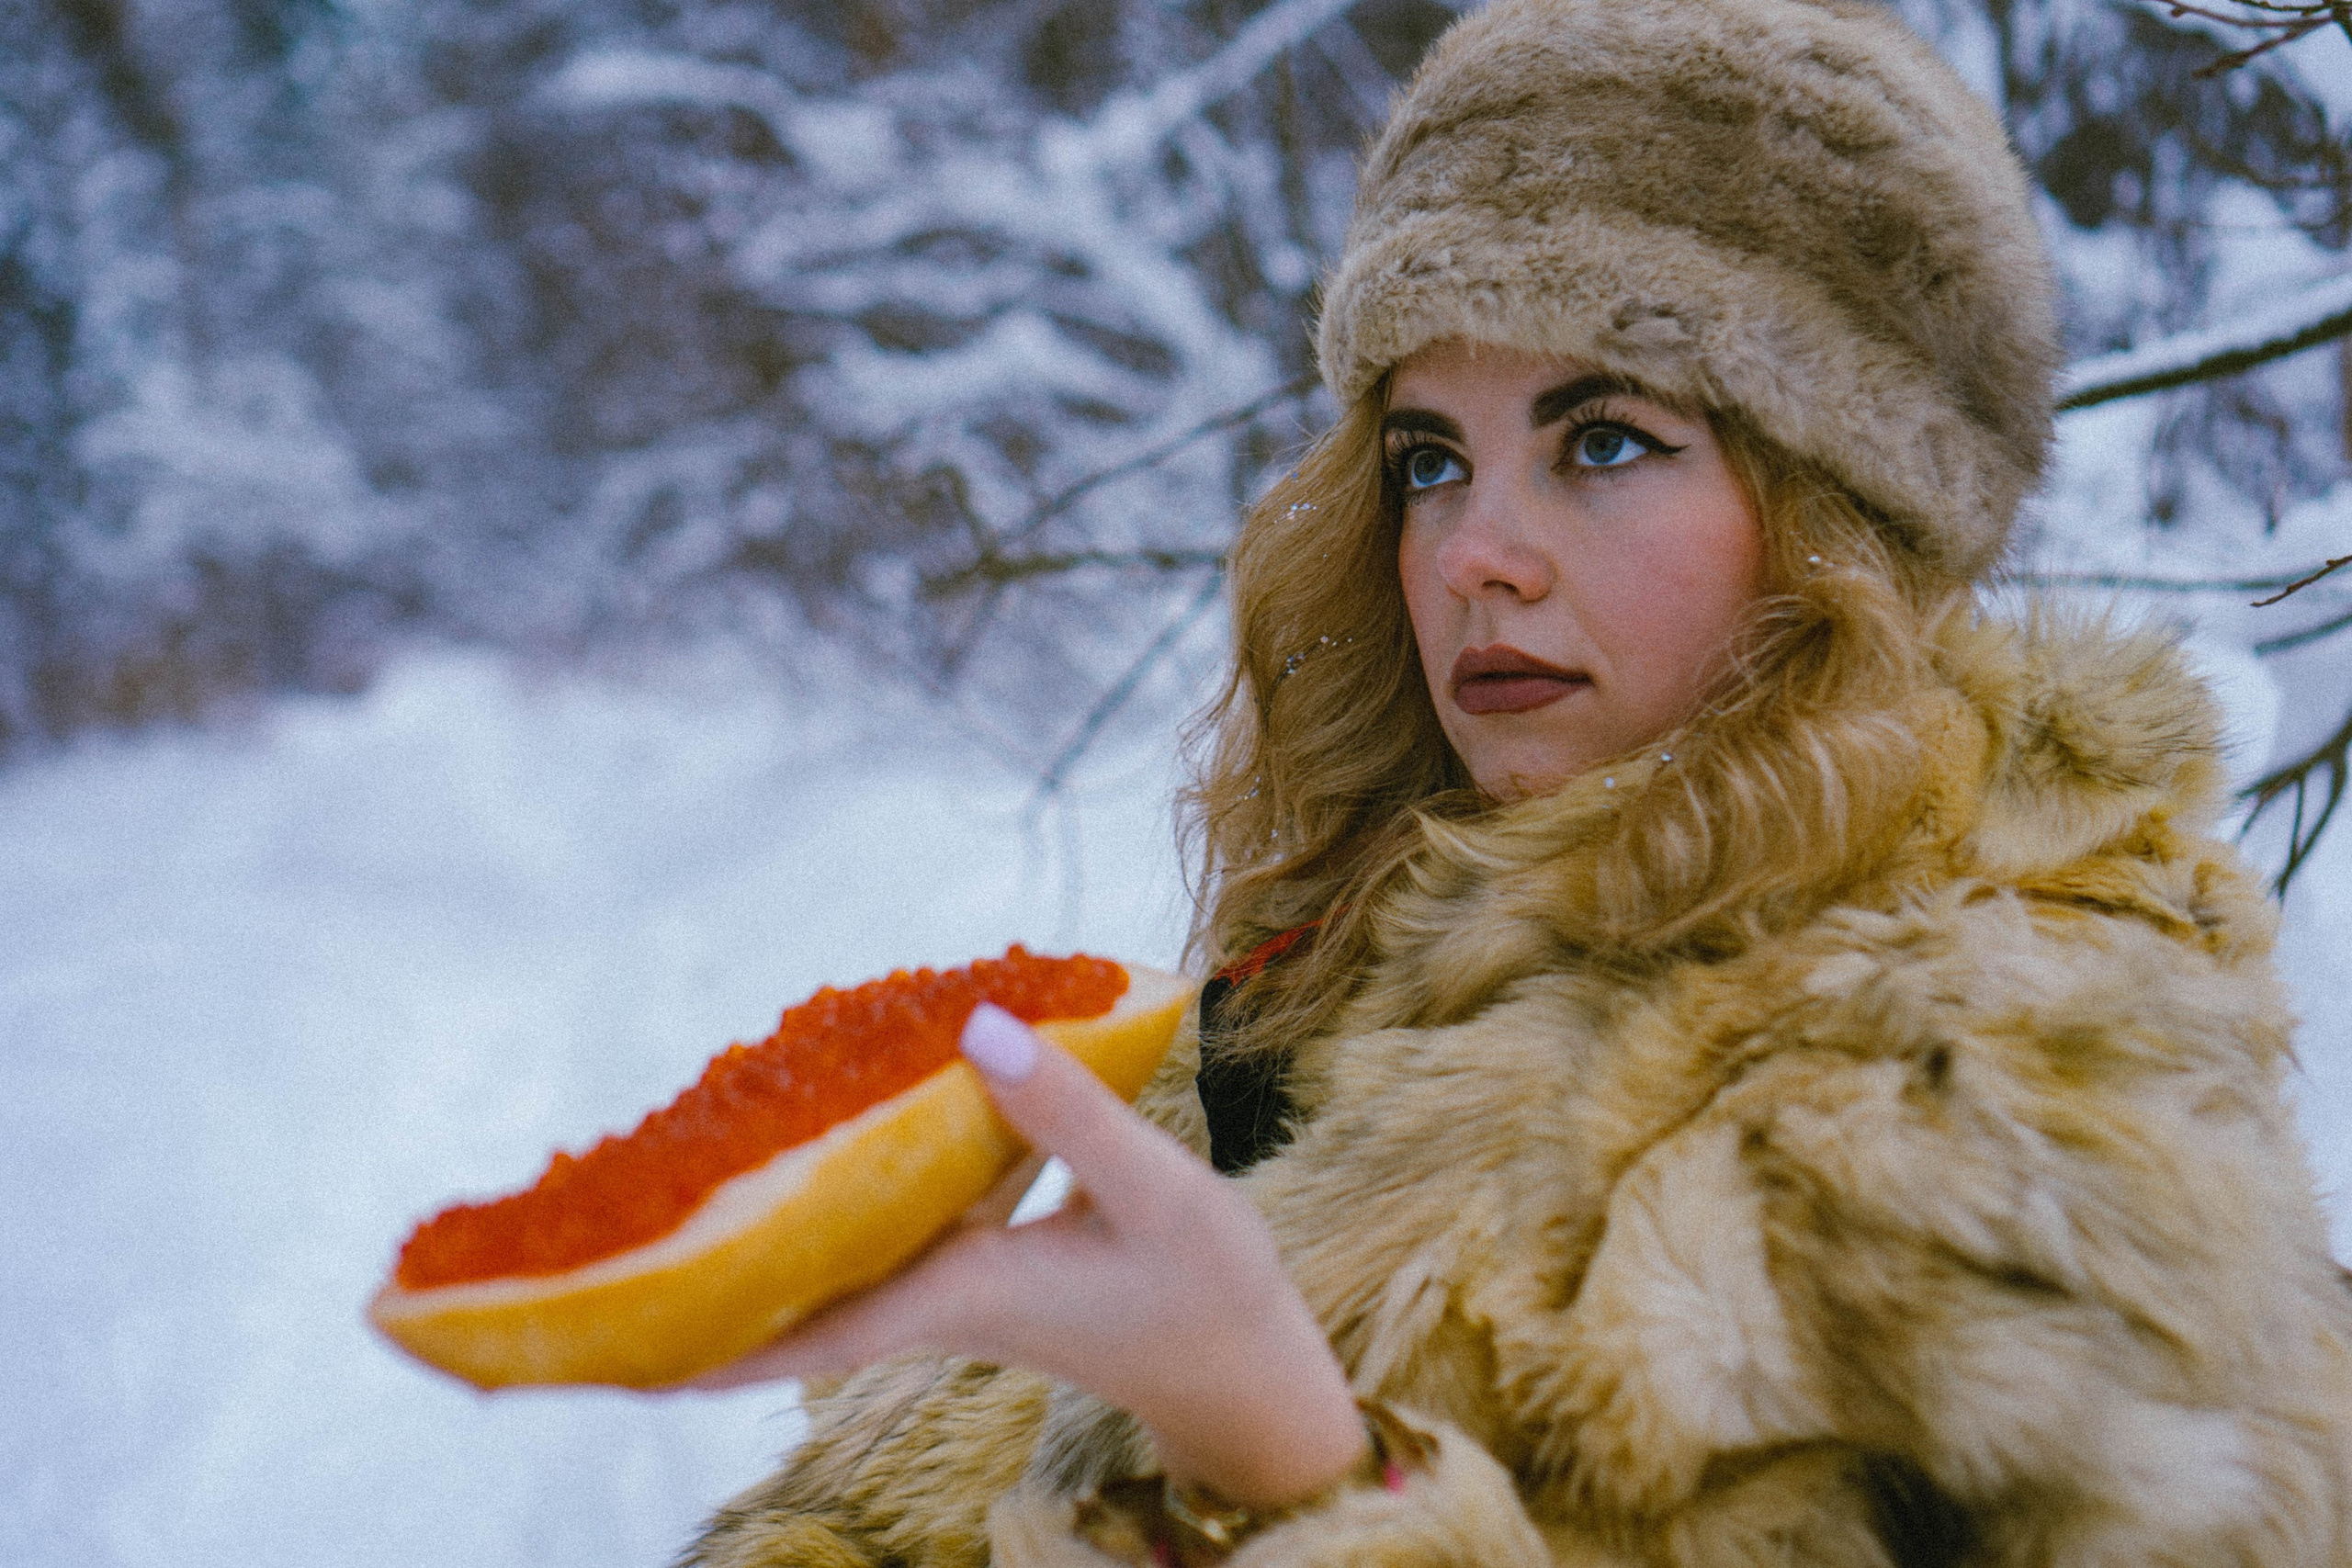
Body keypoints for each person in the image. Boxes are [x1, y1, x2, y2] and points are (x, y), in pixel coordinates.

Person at [680, 0, 2352, 1562]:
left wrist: (1292, 1475)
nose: (1475, 551)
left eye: (1603, 440)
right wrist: (935, 1345)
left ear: (1842, 515)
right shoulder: (1326, 986)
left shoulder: (2011, 1097)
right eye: (1429, 460)